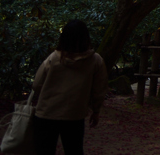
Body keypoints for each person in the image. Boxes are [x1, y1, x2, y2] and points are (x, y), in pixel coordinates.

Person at [31, 19, 107, 155]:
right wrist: (96, 111)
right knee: (74, 150)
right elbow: (99, 90)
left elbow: (36, 84)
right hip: (74, 115)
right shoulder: (96, 60)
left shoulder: (53, 58)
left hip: (47, 113)